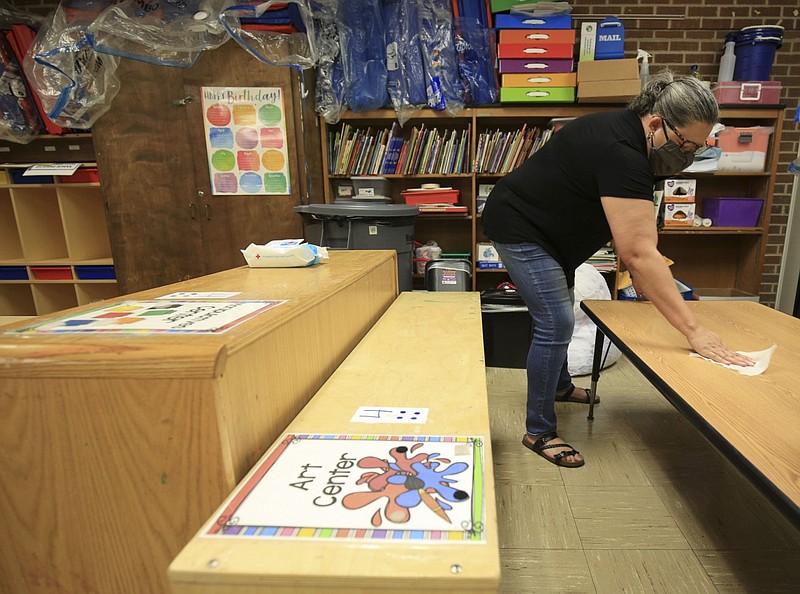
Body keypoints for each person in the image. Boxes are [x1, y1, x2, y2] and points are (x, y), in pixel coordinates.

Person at [481, 70, 755, 468]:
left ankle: (557, 387)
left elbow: (632, 232)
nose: (689, 155)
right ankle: (538, 430)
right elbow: (640, 253)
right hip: (521, 226)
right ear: (657, 123)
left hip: (554, 230)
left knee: (561, 305)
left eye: (699, 147)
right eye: (685, 144)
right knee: (556, 321)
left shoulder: (633, 136)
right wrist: (693, 330)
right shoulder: (623, 151)